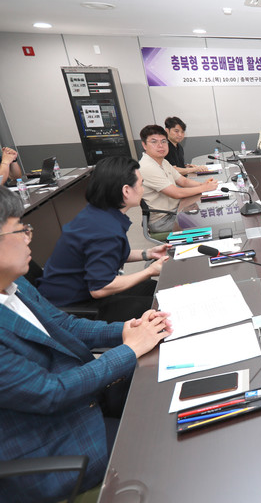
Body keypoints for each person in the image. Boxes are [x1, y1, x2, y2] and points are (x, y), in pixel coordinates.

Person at [0, 185, 172, 502]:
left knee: (167, 387)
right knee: (167, 436)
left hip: (85, 402)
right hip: (55, 448)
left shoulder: (14, 283)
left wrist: (127, 330)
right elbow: (50, 392)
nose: (28, 239)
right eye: (20, 230)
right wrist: (130, 349)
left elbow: (64, 324)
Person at [37, 157, 171, 322]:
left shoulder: (98, 213)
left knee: (151, 287)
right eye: (141, 184)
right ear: (126, 190)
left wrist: (148, 253)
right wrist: (149, 271)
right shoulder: (105, 230)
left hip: (74, 292)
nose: (143, 190)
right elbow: (100, 288)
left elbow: (110, 254)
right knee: (157, 309)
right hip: (73, 307)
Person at [138, 124, 218, 233]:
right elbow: (176, 193)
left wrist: (203, 185)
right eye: (154, 142)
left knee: (209, 212)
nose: (160, 145)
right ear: (144, 145)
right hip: (163, 220)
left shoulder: (163, 161)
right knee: (208, 221)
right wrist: (204, 188)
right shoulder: (147, 167)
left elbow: (183, 181)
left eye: (163, 141)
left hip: (176, 210)